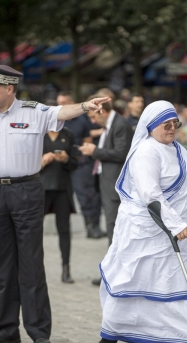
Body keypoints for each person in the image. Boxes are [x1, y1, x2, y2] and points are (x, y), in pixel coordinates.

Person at [0, 63, 109, 343]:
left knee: (30, 262)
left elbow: (62, 112)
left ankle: (38, 330)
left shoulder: (34, 112)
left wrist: (86, 104)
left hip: (26, 190)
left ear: (9, 88)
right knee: (3, 265)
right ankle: (7, 329)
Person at [91, 100, 187, 343]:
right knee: (132, 285)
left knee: (185, 285)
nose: (171, 128)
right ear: (150, 126)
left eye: (175, 124)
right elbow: (151, 194)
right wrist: (176, 224)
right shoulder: (146, 152)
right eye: (165, 124)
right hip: (146, 235)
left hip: (179, 235)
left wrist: (183, 226)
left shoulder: (178, 149)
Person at [78, 96, 133, 286]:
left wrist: (94, 151)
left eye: (93, 116)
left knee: (115, 230)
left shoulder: (119, 124)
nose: (93, 121)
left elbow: (120, 153)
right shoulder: (111, 125)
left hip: (114, 185)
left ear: (102, 111)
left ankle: (113, 274)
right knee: (112, 229)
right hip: (106, 183)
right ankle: (112, 271)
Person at [56, 91, 106, 239]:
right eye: (59, 103)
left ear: (71, 102)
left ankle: (93, 227)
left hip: (81, 162)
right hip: (60, 164)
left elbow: (88, 139)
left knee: (89, 195)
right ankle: (89, 227)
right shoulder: (56, 119)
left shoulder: (82, 120)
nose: (61, 106)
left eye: (64, 102)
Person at [41, 127, 78, 283]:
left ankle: (66, 268)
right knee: (34, 230)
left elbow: (75, 163)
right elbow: (25, 162)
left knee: (64, 230)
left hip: (62, 188)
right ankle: (34, 269)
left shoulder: (68, 134)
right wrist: (41, 162)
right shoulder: (38, 134)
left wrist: (66, 159)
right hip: (41, 188)